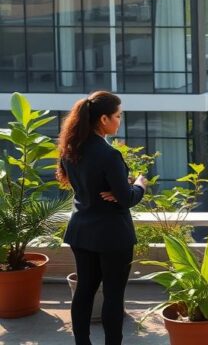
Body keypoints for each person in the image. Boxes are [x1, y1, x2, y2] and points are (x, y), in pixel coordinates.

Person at [57, 91, 148, 345]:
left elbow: (91, 184)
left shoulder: (71, 149)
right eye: (117, 116)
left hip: (81, 231)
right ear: (104, 119)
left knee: (84, 290)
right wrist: (139, 184)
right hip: (112, 235)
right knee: (113, 295)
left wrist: (120, 189)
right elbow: (128, 198)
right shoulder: (109, 154)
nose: (120, 121)